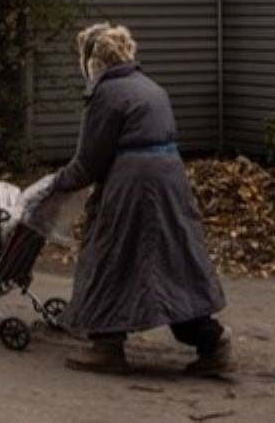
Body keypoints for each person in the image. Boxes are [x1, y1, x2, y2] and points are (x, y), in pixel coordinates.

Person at [47, 22, 231, 376]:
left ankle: (106, 346)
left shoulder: (106, 94)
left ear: (92, 60)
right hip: (169, 182)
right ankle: (213, 343)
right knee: (173, 263)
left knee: (109, 255)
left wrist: (56, 183)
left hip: (133, 187)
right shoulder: (151, 88)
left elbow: (88, 162)